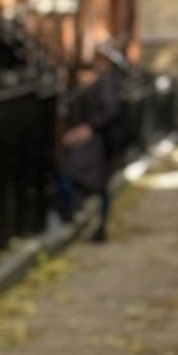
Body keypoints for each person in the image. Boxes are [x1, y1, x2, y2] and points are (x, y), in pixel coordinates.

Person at [57, 50, 127, 243]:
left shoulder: (102, 86)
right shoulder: (94, 87)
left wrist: (88, 128)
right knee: (99, 186)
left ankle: (91, 222)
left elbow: (110, 111)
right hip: (99, 146)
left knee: (74, 176)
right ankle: (97, 225)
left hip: (99, 146)